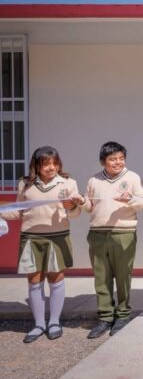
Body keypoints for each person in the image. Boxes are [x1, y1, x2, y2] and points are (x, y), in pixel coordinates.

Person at [1, 147, 81, 343]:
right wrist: (2, 211)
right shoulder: (25, 183)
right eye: (46, 164)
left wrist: (72, 206)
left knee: (56, 278)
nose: (51, 167)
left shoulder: (68, 183)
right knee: (34, 280)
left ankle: (54, 322)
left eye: (55, 163)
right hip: (31, 238)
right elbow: (19, 211)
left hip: (57, 237)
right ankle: (38, 324)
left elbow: (75, 213)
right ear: (37, 166)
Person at [78, 142, 143, 338]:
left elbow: (142, 203)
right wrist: (81, 201)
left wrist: (130, 200)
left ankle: (123, 314)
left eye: (121, 158)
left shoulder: (133, 177)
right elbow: (89, 206)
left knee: (123, 276)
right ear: (103, 161)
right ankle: (105, 317)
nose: (118, 162)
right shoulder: (94, 180)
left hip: (123, 233)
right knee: (101, 277)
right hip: (98, 234)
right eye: (112, 159)